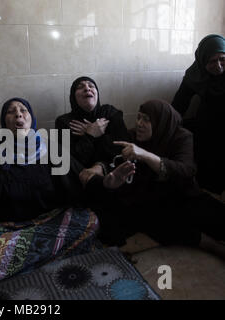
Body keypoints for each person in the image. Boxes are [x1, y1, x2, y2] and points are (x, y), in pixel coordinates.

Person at [0, 98, 102, 291]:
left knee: (90, 221)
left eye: (23, 110)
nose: (18, 114)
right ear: (5, 122)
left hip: (49, 224)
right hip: (5, 232)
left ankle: (21, 269)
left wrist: (104, 177)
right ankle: (50, 260)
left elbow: (80, 176)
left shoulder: (50, 148)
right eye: (11, 112)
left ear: (31, 118)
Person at [81, 100, 225, 255]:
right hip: (152, 198)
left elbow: (186, 171)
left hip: (183, 194)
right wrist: (99, 168)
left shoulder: (181, 137)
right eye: (138, 118)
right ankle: (209, 245)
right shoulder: (132, 136)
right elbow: (112, 158)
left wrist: (145, 155)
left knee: (214, 216)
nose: (139, 124)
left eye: (147, 119)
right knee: (158, 221)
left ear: (161, 122)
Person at [171, 34, 225, 194]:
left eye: (223, 58)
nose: (219, 66)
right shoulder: (195, 76)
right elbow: (178, 105)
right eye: (212, 61)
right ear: (202, 60)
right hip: (207, 127)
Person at [55, 76, 130, 184]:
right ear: (73, 97)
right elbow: (68, 161)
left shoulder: (110, 112)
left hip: (113, 173)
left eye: (91, 86)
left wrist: (97, 135)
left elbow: (123, 148)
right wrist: (90, 135)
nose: (87, 88)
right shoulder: (64, 122)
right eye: (80, 87)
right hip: (80, 180)